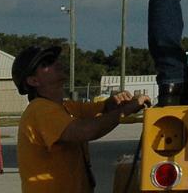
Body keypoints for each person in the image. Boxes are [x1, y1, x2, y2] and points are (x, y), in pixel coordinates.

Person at [14, 44, 149, 191]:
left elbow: (103, 109)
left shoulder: (66, 107)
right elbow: (86, 130)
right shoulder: (40, 110)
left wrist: (116, 102)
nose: (57, 64)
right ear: (33, 81)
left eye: (54, 60)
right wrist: (125, 111)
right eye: (46, 64)